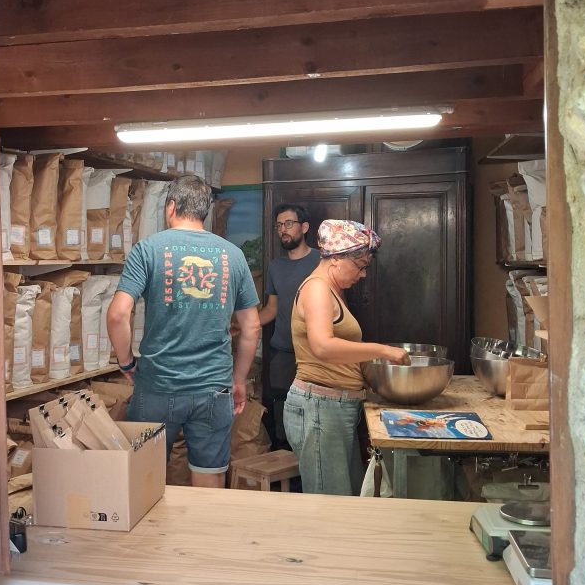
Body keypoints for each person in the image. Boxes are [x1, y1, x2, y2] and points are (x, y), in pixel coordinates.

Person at [106, 174, 261, 489]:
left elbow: (118, 314)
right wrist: (239, 380)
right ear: (204, 211)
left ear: (171, 207)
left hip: (156, 386)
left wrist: (127, 363)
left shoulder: (147, 250)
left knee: (143, 483)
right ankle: (203, 538)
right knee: (209, 482)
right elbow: (252, 326)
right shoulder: (233, 255)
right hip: (214, 389)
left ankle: (152, 540)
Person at [283, 219, 410, 496]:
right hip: (319, 408)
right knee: (329, 505)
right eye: (360, 265)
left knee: (344, 498)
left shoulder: (332, 290)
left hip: (332, 408)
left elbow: (342, 351)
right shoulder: (316, 289)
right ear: (337, 259)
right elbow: (323, 347)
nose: (363, 274)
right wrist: (382, 350)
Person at [258, 204, 320, 450]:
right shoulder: (276, 267)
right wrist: (242, 325)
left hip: (315, 355)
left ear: (304, 227)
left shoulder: (322, 261)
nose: (283, 230)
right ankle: (290, 481)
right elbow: (271, 309)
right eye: (279, 225)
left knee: (314, 419)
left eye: (289, 224)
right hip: (283, 354)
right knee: (284, 422)